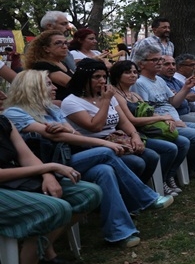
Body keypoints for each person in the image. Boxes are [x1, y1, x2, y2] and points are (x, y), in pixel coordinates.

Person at [4, 70, 172, 248]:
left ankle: (119, 232)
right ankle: (146, 198)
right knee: (106, 154)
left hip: (66, 159)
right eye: (48, 83)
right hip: (44, 167)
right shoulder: (15, 113)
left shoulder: (51, 108)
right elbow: (57, 137)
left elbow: (71, 133)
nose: (54, 87)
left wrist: (65, 129)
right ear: (32, 87)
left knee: (104, 170)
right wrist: (104, 144)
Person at [0, 114, 102, 264]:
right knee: (55, 208)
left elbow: (26, 156)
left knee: (89, 193)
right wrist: (50, 167)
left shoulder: (4, 121)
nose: (2, 95)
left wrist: (47, 176)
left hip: (18, 180)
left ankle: (38, 248)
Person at [130, 44, 195, 175]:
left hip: (175, 120)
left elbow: (174, 103)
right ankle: (175, 172)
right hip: (162, 125)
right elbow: (146, 110)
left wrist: (185, 88)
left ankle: (188, 167)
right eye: (155, 60)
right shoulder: (140, 83)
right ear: (141, 64)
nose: (159, 63)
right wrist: (170, 120)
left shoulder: (159, 80)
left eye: (160, 59)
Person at [109, 60, 190, 196]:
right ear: (117, 75)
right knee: (169, 148)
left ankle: (169, 175)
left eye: (135, 72)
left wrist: (168, 119)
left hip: (149, 129)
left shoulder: (134, 95)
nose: (133, 75)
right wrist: (161, 118)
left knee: (183, 142)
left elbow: (150, 111)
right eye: (128, 72)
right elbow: (132, 120)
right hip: (135, 135)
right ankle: (161, 181)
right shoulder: (116, 96)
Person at [24, 30, 73, 101]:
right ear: (46, 48)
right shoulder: (42, 65)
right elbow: (73, 84)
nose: (65, 47)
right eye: (58, 43)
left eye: (66, 43)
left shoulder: (62, 63)